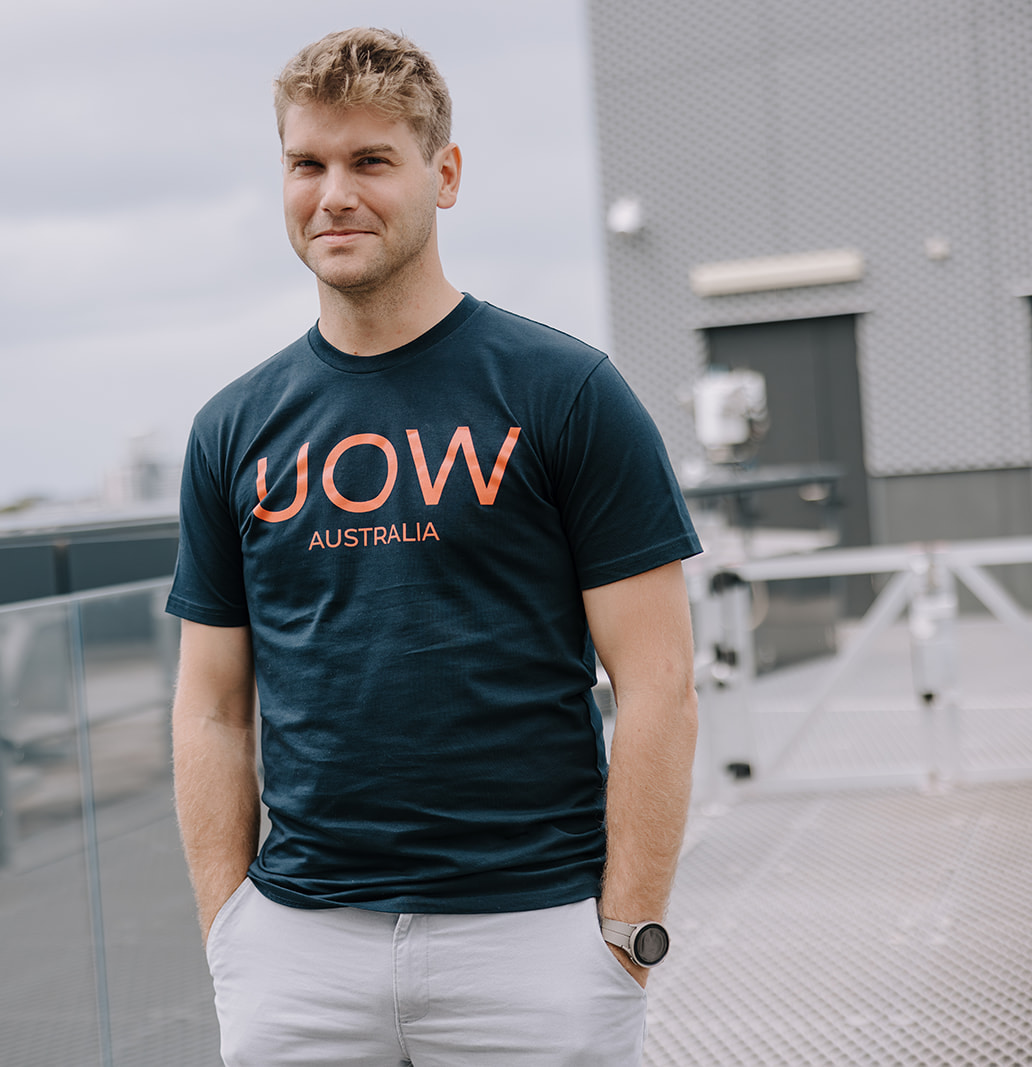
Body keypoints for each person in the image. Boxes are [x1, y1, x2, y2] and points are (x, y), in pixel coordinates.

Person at [166, 26, 701, 1066]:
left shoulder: (565, 392)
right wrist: (231, 932)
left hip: (533, 937)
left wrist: (621, 936)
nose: (334, 195)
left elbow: (659, 680)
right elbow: (210, 702)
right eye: (306, 164)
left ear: (442, 175)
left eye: (370, 161)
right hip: (298, 945)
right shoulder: (231, 427)